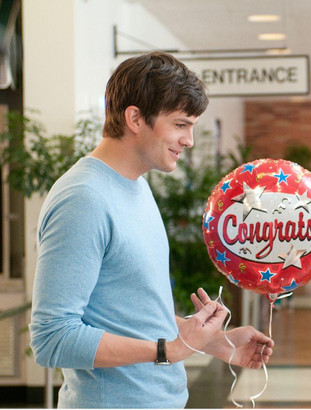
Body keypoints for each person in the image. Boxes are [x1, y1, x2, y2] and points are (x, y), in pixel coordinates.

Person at [29, 52, 274, 409]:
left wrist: (212, 342)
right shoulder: (83, 199)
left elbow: (128, 310)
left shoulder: (137, 185)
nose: (189, 140)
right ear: (135, 118)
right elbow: (52, 338)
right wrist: (167, 349)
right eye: (180, 124)